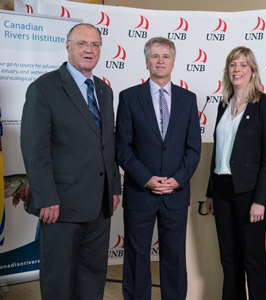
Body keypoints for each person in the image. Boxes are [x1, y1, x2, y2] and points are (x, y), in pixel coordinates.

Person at [20, 23, 121, 300]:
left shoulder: (104, 91)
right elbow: (34, 148)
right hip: (60, 205)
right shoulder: (44, 88)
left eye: (95, 44)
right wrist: (45, 197)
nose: (89, 50)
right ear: (67, 46)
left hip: (99, 206)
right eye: (82, 43)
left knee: (92, 278)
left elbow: (107, 143)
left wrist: (113, 187)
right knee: (59, 281)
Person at [115, 37, 201, 300]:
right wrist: (146, 179)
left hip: (175, 194)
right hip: (140, 193)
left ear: (173, 62)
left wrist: (177, 180)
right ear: (146, 62)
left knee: (174, 257)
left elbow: (193, 148)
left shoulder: (188, 99)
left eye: (165, 56)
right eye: (155, 56)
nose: (160, 61)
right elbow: (123, 148)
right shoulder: (129, 97)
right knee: (136, 255)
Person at [205, 46, 266, 300]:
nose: (237, 69)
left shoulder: (265, 105)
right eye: (233, 64)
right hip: (222, 190)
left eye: (243, 65)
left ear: (253, 70)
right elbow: (219, 151)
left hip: (250, 194)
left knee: (253, 261)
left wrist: (261, 199)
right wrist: (211, 191)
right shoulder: (223, 104)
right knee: (229, 259)